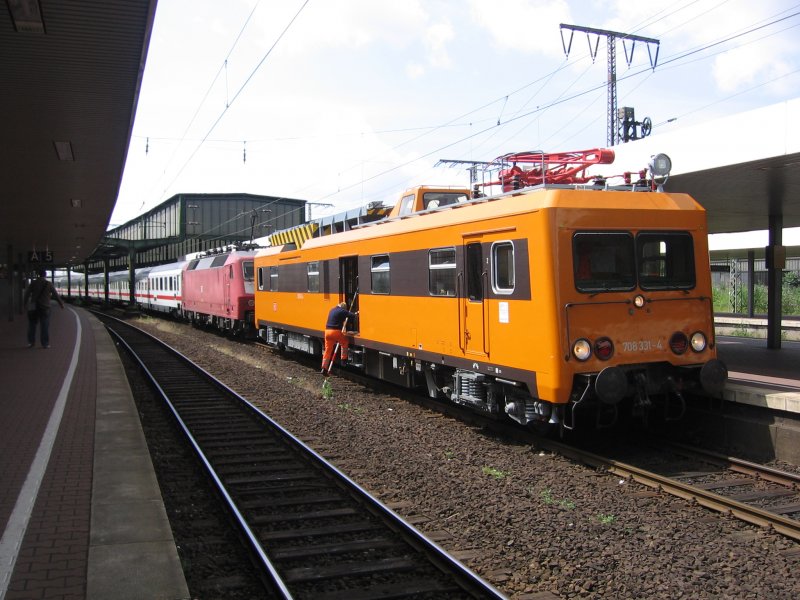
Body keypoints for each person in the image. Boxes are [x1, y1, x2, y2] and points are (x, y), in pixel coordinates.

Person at [23, 269, 65, 348]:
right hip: (45, 307)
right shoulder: (48, 284)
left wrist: (24, 304)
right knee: (44, 326)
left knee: (32, 325)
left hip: (34, 307)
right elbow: (55, 295)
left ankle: (31, 342)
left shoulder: (33, 283)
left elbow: (27, 294)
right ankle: (45, 344)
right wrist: (61, 304)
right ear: (45, 275)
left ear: (38, 275)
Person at [320, 301, 358, 375]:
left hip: (327, 332)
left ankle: (324, 368)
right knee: (344, 342)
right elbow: (352, 316)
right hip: (335, 332)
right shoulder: (342, 311)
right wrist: (356, 314)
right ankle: (343, 359)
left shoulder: (332, 309)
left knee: (328, 350)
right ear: (343, 307)